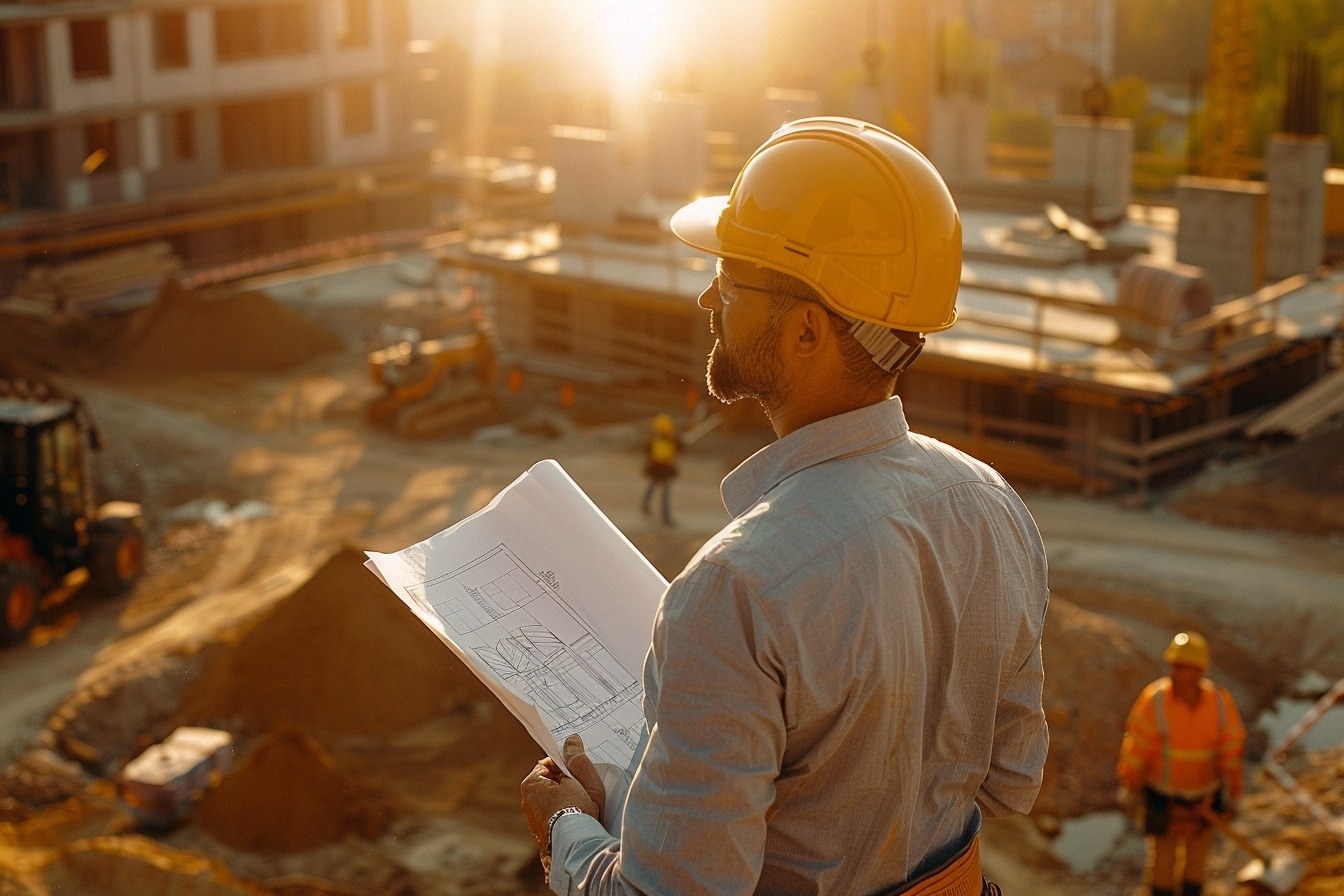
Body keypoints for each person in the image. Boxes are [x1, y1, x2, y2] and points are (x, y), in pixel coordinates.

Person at [520, 116, 1050, 896]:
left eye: (732, 282)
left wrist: (568, 830)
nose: (708, 297)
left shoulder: (737, 590)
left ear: (807, 331)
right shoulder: (993, 507)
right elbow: (1010, 779)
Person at [1117, 631, 1246, 896]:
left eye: (1187, 667)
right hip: (1162, 795)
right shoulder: (1155, 700)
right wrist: (1130, 783)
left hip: (1205, 796)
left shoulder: (1220, 703)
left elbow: (1231, 750)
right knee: (1162, 862)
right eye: (1177, 666)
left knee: (1196, 863)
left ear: (1200, 670)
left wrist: (1233, 789)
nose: (1181, 673)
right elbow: (1137, 747)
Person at [640, 413, 681, 525]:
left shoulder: (672, 440)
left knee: (662, 491)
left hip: (665, 468)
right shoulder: (656, 440)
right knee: (655, 488)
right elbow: (649, 452)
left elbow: (679, 449)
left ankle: (664, 516)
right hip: (658, 468)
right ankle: (649, 507)